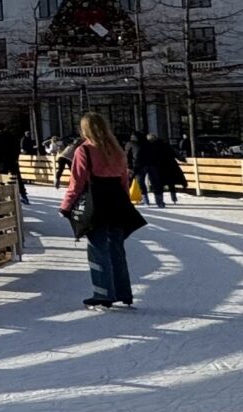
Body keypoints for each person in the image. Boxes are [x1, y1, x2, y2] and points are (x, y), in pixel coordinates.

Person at [60, 111, 145, 308]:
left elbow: (77, 182)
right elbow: (124, 180)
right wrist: (125, 202)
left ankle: (103, 293)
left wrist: (66, 206)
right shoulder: (117, 150)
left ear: (84, 129)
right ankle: (124, 291)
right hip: (117, 202)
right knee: (116, 248)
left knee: (98, 248)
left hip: (97, 203)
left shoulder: (85, 151)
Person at [128, 131, 184, 208]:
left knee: (149, 182)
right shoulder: (147, 144)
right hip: (149, 165)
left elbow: (128, 155)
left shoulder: (144, 144)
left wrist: (130, 166)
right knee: (156, 182)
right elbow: (172, 151)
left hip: (146, 165)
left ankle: (151, 201)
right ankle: (157, 201)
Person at [0, 119, 29, 202]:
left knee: (1, 179)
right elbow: (17, 148)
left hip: (2, 161)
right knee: (17, 177)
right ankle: (23, 194)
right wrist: (16, 158)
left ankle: (1, 196)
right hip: (12, 160)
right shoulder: (12, 136)